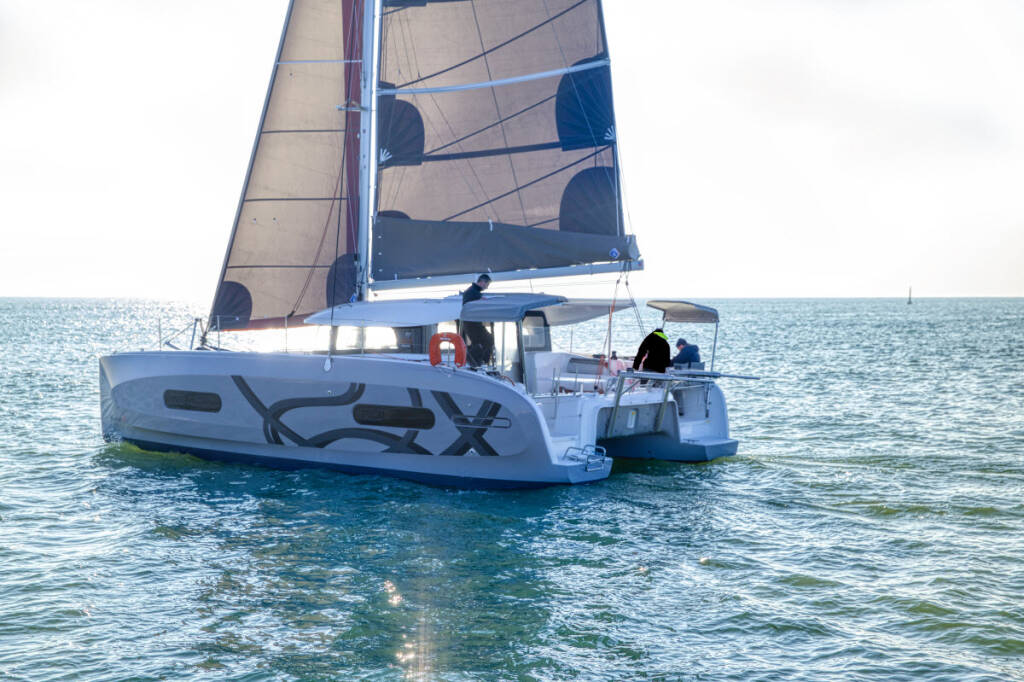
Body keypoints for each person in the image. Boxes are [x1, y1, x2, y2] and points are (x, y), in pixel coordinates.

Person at [460, 274, 494, 367]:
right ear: (482, 282)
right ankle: (475, 359)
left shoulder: (473, 291)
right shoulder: (473, 292)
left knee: (479, 342)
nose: (487, 287)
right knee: (489, 339)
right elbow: (474, 304)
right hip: (472, 323)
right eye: (487, 284)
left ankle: (476, 362)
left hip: (470, 322)